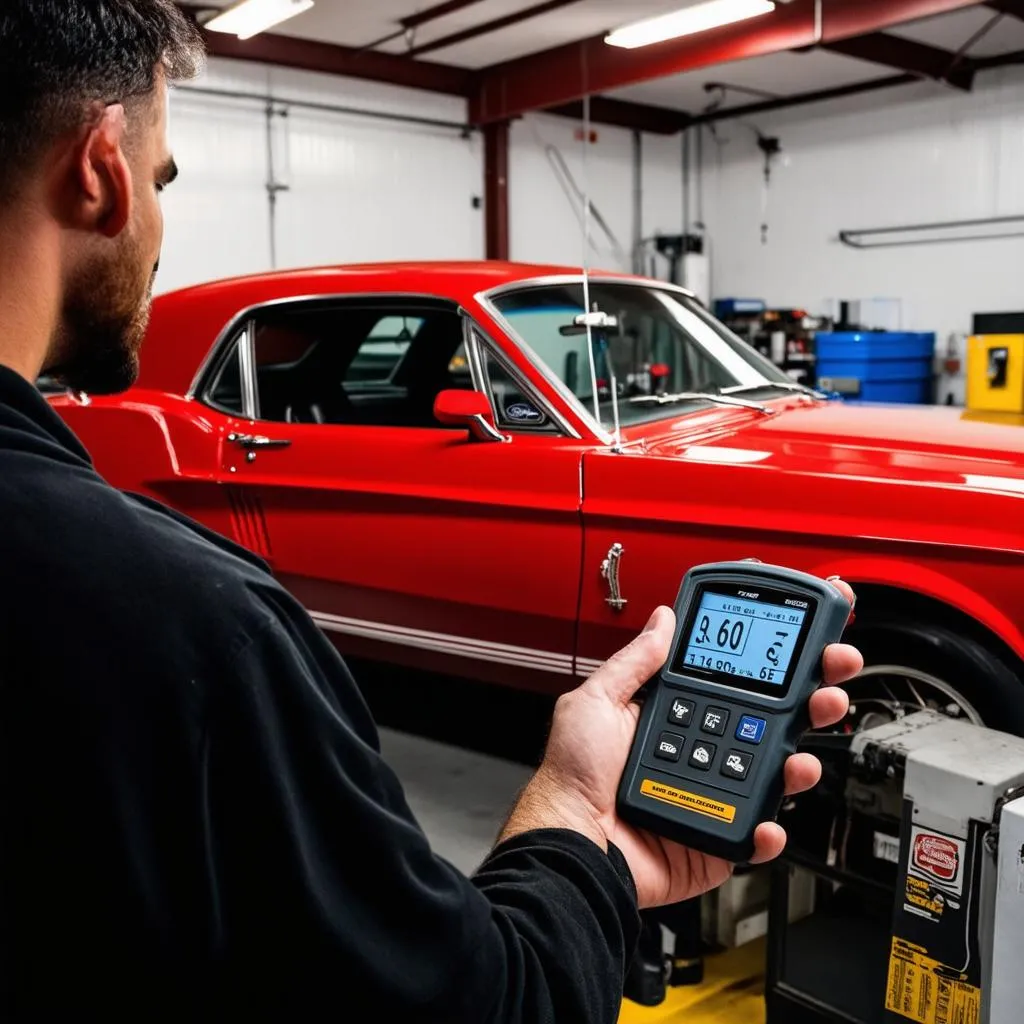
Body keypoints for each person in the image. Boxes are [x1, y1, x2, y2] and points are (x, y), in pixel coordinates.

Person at [0, 2, 863, 1018]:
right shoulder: (199, 627)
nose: (156, 221)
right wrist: (578, 822)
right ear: (101, 173)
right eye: (159, 180)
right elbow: (473, 1001)